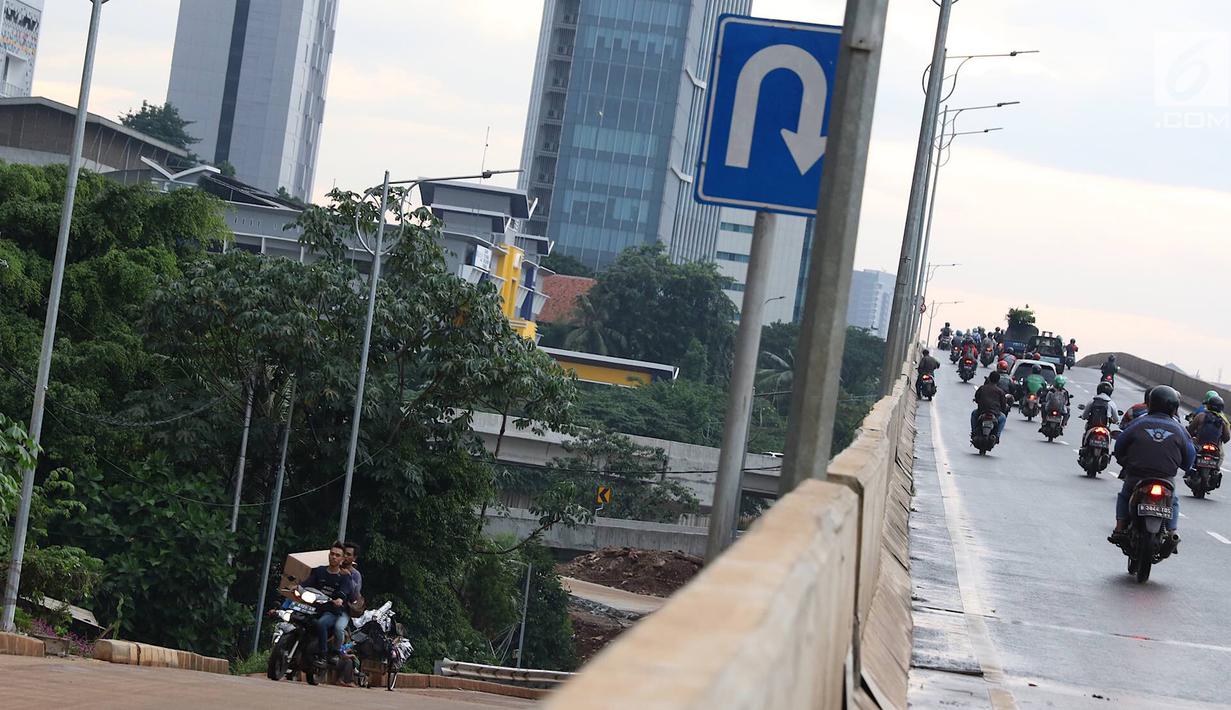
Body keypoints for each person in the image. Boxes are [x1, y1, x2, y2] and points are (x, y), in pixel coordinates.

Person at [1109, 386, 1193, 549]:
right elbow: (1189, 459)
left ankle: (1119, 528)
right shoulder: (1180, 429)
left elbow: (1119, 447)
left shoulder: (1138, 423)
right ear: (1174, 407)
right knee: (1173, 501)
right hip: (1166, 478)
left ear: (1151, 403)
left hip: (1137, 475)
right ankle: (1171, 532)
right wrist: (1185, 466)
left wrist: (1124, 461)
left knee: (1125, 495)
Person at [304, 542, 356, 662]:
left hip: (332, 611)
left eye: (337, 555)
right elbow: (307, 583)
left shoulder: (345, 577)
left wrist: (339, 599)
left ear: (342, 559)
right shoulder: (319, 571)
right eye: (332, 554)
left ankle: (323, 654)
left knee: (321, 624)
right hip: (314, 607)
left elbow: (344, 592)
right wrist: (296, 586)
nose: (334, 557)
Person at [971, 372, 1010, 439]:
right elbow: (1003, 406)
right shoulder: (1000, 391)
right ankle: (997, 436)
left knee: (974, 413)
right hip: (995, 414)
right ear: (998, 380)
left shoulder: (982, 388)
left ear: (989, 378)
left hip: (982, 412)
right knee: (1003, 418)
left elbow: (977, 398)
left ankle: (974, 432)